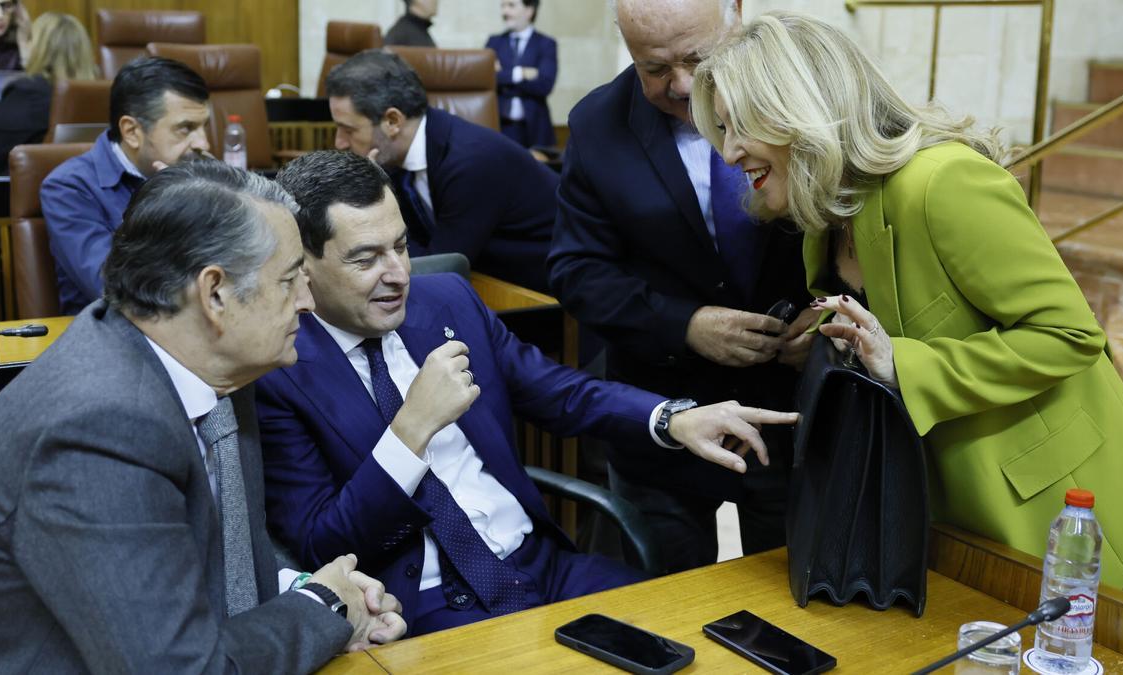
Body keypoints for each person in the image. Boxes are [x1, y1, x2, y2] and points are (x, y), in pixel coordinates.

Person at [258, 150, 799, 635]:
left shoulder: (446, 300)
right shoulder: (278, 368)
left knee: (690, 636)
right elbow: (321, 544)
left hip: (543, 567)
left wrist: (670, 419)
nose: (399, 273)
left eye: (400, 246)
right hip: (421, 608)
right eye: (365, 258)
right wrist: (410, 431)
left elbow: (559, 390)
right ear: (305, 265)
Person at [691, 10, 1123, 589]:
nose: (728, 153)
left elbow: (1069, 335)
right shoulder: (827, 213)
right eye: (722, 130)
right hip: (935, 499)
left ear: (800, 109)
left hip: (1048, 502)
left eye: (739, 125)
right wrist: (829, 335)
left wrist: (902, 363)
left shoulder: (944, 182)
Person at [0, 162, 406, 672]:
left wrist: (317, 592)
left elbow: (226, 558)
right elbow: (180, 668)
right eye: (291, 280)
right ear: (215, 294)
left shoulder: (219, 368)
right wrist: (324, 611)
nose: (308, 303)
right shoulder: (98, 426)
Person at [547, 0, 811, 572]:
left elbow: (850, 230)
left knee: (795, 608)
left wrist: (826, 320)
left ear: (735, 14)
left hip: (795, 416)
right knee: (664, 613)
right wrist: (684, 326)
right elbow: (577, 270)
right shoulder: (598, 124)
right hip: (665, 419)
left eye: (697, 58)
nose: (683, 85)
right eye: (654, 69)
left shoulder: (801, 98)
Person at [326, 50, 558, 292]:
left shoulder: (470, 162)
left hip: (540, 296)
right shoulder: (396, 157)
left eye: (348, 130)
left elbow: (438, 267)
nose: (339, 142)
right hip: (483, 283)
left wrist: (372, 195)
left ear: (393, 121)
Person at [40, 56, 211, 315]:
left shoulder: (204, 171)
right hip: (112, 338)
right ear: (131, 131)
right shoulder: (68, 188)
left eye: (203, 127)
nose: (203, 143)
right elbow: (114, 287)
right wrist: (176, 205)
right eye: (185, 128)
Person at [0, 12, 98, 176]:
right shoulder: (97, 93)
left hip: (18, 195)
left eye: (29, 39)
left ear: (40, 48)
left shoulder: (28, 92)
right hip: (83, 192)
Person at [484, 0, 557, 148]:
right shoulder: (494, 42)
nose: (505, 12)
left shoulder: (546, 44)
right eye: (503, 6)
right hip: (499, 127)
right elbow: (486, 79)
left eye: (511, 5)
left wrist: (503, 76)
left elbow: (544, 85)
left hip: (535, 130)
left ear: (529, 11)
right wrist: (520, 73)